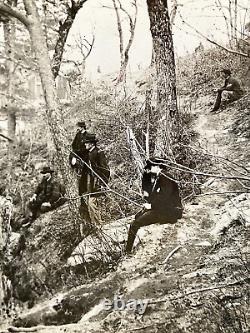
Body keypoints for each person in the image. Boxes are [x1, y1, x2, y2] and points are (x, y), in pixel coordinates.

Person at [125, 158, 183, 254]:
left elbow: (165, 197)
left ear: (156, 166)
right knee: (137, 216)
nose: (150, 169)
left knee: (134, 224)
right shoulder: (161, 176)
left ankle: (128, 251)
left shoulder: (165, 177)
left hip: (169, 212)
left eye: (151, 167)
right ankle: (128, 249)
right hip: (164, 209)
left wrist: (151, 206)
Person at [78, 133, 110, 224]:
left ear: (92, 144)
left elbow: (105, 170)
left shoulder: (99, 153)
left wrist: (103, 184)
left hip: (98, 182)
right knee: (91, 203)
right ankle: (97, 224)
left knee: (93, 203)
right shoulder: (89, 154)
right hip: (90, 183)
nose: (85, 145)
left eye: (86, 143)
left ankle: (100, 224)